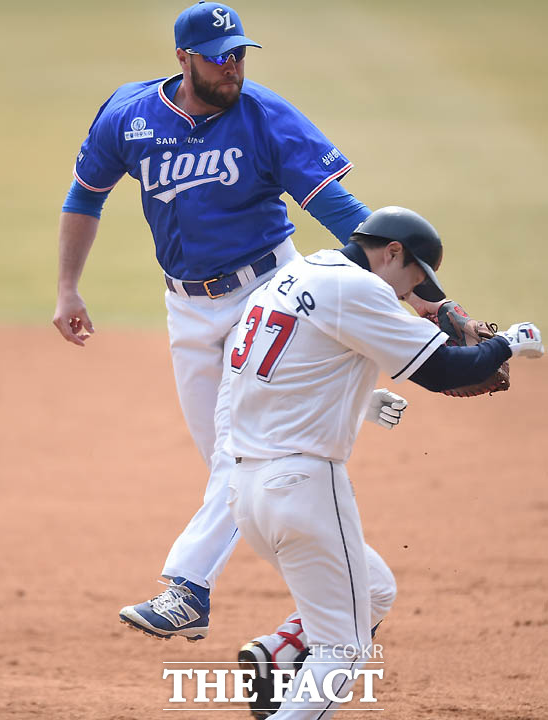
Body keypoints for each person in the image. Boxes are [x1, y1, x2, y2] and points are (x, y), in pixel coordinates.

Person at [53, 1, 408, 640]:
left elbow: (342, 210)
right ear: (183, 58)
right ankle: (368, 591)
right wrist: (67, 288)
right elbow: (85, 194)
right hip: (186, 308)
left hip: (270, 294)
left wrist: (417, 289)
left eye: (240, 53)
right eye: (220, 56)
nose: (233, 66)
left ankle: (188, 588)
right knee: (242, 474)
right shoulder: (130, 117)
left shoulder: (264, 116)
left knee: (241, 457)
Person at [225, 206, 543, 719]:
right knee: (342, 653)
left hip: (248, 490)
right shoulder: (359, 288)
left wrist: (355, 400)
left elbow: (282, 369)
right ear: (392, 252)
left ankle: (278, 655)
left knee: (373, 589)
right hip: (303, 487)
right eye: (415, 278)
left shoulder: (296, 275)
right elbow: (442, 371)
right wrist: (513, 340)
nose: (409, 293)